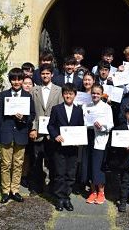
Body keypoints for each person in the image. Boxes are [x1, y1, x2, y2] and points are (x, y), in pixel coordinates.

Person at [0, 68, 35, 204]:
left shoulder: (27, 96)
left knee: (18, 164)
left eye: (19, 79)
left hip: (21, 134)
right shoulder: (3, 95)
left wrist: (23, 118)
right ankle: (5, 191)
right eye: (14, 79)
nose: (16, 82)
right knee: (5, 164)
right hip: (6, 134)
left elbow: (32, 115)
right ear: (10, 80)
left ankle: (15, 190)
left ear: (22, 80)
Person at [47, 83, 84, 211]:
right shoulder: (56, 109)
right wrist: (56, 135)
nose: (68, 96)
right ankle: (59, 198)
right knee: (59, 173)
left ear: (75, 95)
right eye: (66, 93)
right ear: (62, 95)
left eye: (71, 93)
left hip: (73, 148)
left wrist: (79, 139)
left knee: (70, 174)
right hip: (59, 147)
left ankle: (66, 198)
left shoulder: (79, 110)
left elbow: (81, 127)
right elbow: (50, 126)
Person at [29, 64, 63, 195]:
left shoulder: (59, 90)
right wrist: (32, 128)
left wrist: (58, 131)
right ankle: (37, 186)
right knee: (36, 161)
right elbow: (31, 112)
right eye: (43, 74)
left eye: (48, 73)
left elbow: (60, 112)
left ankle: (53, 187)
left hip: (52, 133)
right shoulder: (34, 90)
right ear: (40, 75)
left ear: (52, 75)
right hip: (37, 131)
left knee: (53, 161)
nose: (45, 76)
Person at [83, 84, 114, 205]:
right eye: (93, 93)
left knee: (98, 166)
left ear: (102, 95)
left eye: (97, 93)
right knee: (89, 164)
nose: (95, 95)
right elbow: (83, 121)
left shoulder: (106, 107)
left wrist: (102, 127)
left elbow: (110, 125)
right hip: (88, 137)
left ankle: (101, 192)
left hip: (100, 138)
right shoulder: (86, 106)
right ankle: (93, 191)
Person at [20, 75, 34, 188]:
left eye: (30, 83)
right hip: (19, 129)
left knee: (28, 154)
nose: (28, 85)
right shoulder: (17, 96)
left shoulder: (34, 97)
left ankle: (25, 176)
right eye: (25, 83)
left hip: (31, 129)